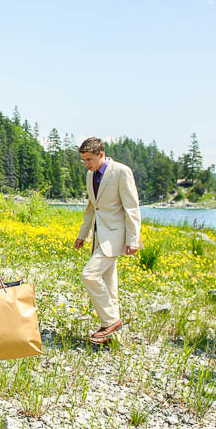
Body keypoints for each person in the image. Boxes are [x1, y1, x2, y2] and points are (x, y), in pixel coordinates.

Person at [74, 138, 141, 344]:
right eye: (84, 160)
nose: (87, 164)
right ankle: (113, 337)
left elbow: (131, 207)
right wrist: (82, 235)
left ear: (101, 154)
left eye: (90, 159)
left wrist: (133, 239)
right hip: (98, 237)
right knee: (110, 285)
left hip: (116, 235)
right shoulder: (89, 175)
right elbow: (91, 207)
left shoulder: (121, 172)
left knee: (90, 275)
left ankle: (111, 320)